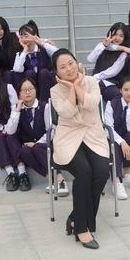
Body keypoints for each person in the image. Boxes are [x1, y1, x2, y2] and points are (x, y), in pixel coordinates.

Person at [50, 49, 110, 249]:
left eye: (70, 63)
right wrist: (71, 89)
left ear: (77, 62)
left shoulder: (91, 82)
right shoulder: (55, 91)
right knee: (84, 172)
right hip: (68, 137)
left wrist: (77, 86)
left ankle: (76, 218)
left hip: (92, 135)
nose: (68, 69)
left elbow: (92, 104)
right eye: (62, 67)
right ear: (56, 72)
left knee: (101, 172)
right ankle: (82, 229)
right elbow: (66, 113)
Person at [5, 75, 52, 192]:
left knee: (37, 149)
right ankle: (48, 177)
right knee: (20, 148)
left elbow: (51, 130)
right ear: (19, 93)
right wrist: (17, 111)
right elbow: (10, 131)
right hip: (26, 146)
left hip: (42, 144)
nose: (28, 92)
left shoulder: (45, 106)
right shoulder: (16, 108)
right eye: (24, 90)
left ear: (36, 90)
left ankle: (55, 178)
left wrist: (37, 143)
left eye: (30, 89)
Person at [87, 22, 130, 100]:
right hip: (97, 81)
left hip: (109, 83)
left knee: (117, 95)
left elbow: (113, 71)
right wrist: (103, 45)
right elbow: (90, 59)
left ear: (125, 37)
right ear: (110, 34)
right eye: (115, 35)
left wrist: (95, 77)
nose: (117, 38)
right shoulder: (103, 46)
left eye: (121, 36)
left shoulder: (123, 54)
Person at [12, 22, 58, 101]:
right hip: (30, 84)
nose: (24, 39)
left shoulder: (44, 48)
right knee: (29, 73)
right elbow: (17, 69)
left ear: (35, 36)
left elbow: (58, 53)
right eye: (21, 37)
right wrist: (25, 50)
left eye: (26, 36)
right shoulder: (20, 53)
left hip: (46, 82)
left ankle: (44, 103)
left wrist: (42, 43)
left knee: (44, 72)